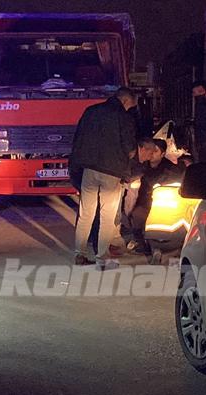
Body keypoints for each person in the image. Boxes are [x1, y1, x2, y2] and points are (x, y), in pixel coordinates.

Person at [69, 87, 138, 270]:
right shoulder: (123, 116)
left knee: (86, 213)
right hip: (112, 172)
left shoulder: (91, 111)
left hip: (89, 169)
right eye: (130, 106)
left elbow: (78, 139)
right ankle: (102, 258)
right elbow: (130, 148)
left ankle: (79, 254)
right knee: (107, 216)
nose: (130, 109)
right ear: (125, 101)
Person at [128, 139, 184, 254]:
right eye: (151, 150)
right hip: (145, 203)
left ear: (162, 154)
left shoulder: (171, 169)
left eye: (155, 151)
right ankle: (141, 242)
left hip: (162, 205)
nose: (151, 154)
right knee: (136, 215)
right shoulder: (143, 166)